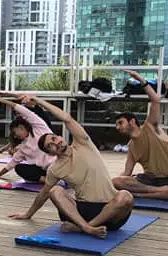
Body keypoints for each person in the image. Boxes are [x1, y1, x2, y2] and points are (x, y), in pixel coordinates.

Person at [10, 96, 133, 238]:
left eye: (54, 139)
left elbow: (67, 119)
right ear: (50, 153)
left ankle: (83, 228)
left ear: (60, 136)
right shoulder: (55, 168)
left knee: (125, 196)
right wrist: (28, 214)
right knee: (55, 190)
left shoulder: (83, 143)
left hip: (111, 213)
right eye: (50, 146)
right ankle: (86, 227)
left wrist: (38, 101)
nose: (55, 143)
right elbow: (43, 194)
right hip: (81, 212)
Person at [111, 70, 168, 202]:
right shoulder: (131, 146)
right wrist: (112, 184)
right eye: (116, 125)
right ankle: (158, 191)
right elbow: (127, 173)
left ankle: (144, 195)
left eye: (120, 123)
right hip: (149, 180)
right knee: (116, 181)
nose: (117, 127)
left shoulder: (150, 127)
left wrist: (140, 79)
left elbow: (156, 100)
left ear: (132, 121)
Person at [0, 93, 56, 182]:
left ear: (21, 127)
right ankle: (48, 180)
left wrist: (3, 101)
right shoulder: (23, 146)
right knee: (19, 168)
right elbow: (12, 163)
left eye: (15, 132)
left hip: (57, 165)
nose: (15, 136)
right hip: (45, 170)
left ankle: (55, 178)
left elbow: (23, 110)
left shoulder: (39, 128)